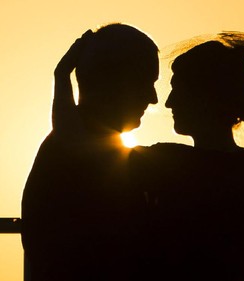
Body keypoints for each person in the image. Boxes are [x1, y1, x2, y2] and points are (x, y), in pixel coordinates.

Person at [35, 30, 244, 281]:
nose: (169, 102)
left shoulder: (162, 163)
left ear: (204, 100)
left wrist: (62, 78)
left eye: (178, 89)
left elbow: (73, 141)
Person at [21, 23, 159, 281]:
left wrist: (61, 79)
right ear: (114, 82)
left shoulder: (70, 148)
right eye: (145, 82)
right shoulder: (79, 155)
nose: (153, 99)